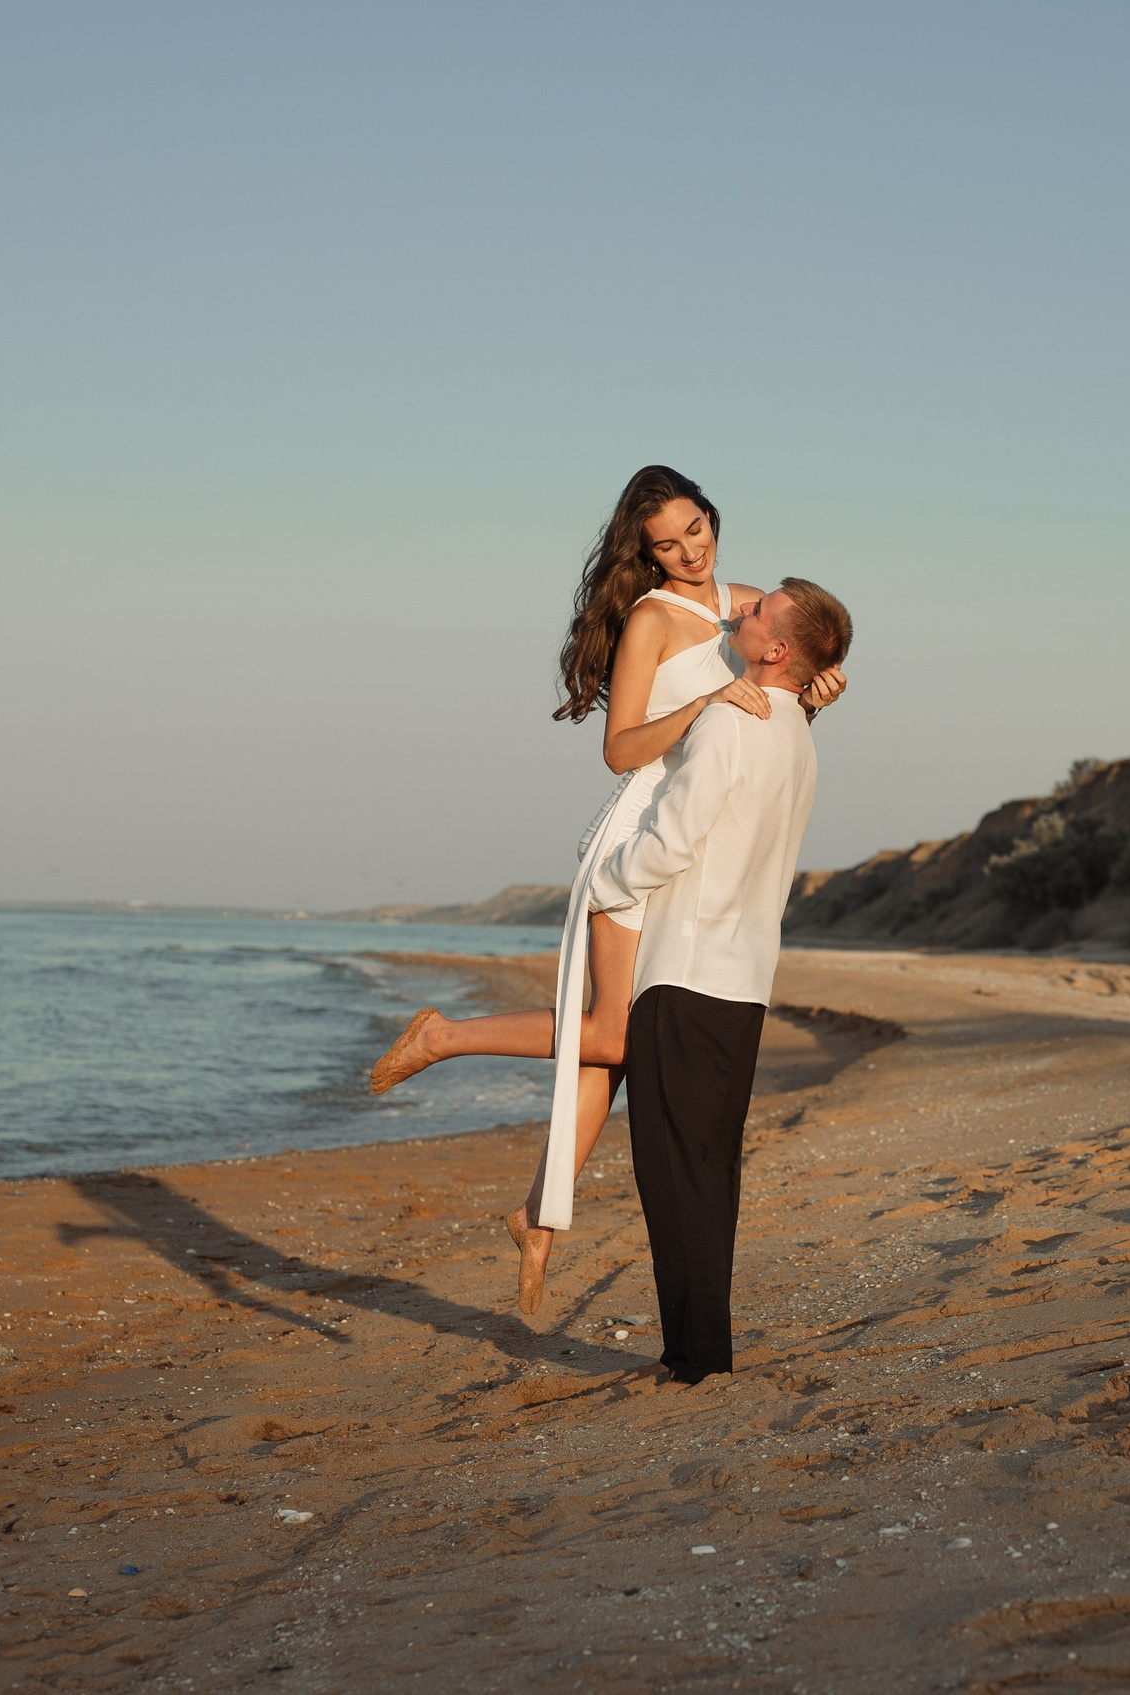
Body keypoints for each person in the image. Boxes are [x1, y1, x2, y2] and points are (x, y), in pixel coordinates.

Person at [365, 467, 845, 1316]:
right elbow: (621, 748)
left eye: (698, 527)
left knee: (618, 1041)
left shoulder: (749, 604)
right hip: (637, 835)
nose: (692, 549)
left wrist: (813, 692)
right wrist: (704, 704)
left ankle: (539, 1216)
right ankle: (446, 1039)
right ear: (646, 550)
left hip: (683, 849)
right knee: (615, 1033)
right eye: (669, 541)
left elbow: (767, 701)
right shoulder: (651, 619)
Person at [590, 576, 851, 1383]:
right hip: (743, 984)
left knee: (673, 1176)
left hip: (685, 974)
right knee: (710, 1171)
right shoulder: (799, 739)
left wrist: (604, 881)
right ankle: (700, 1350)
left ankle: (696, 1358)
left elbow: (668, 844)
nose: (741, 610)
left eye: (759, 611)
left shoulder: (731, 723)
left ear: (776, 651)